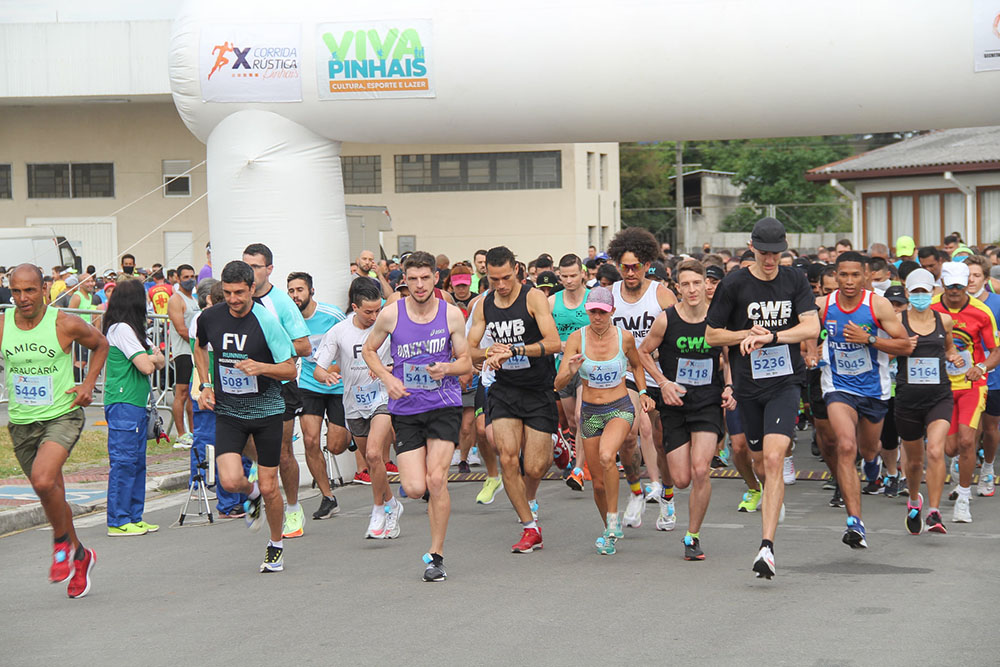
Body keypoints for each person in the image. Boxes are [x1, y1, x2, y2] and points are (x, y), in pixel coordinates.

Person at [705, 218, 820, 580]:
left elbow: (811, 327)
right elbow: (711, 335)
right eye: (764, 253)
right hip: (748, 386)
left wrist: (771, 337)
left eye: (776, 254)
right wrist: (744, 335)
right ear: (751, 247)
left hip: (785, 382)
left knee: (773, 458)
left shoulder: (795, 279)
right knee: (756, 460)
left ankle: (766, 548)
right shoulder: (734, 283)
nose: (770, 260)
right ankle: (768, 491)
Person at [363, 251, 472, 581]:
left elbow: (467, 362)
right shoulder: (391, 314)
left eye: (426, 278)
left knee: (437, 479)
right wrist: (388, 377)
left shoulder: (451, 315)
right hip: (406, 409)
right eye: (413, 279)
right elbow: (369, 350)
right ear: (404, 281)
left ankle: (436, 556)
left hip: (443, 404)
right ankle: (424, 498)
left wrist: (448, 367)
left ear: (436, 279)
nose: (420, 285)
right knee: (413, 487)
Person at [2, 263, 109, 598]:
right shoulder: (4, 326)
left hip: (61, 415)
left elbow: (101, 344)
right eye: (16, 291)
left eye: (29, 290)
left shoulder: (63, 322)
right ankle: (81, 555)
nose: (22, 298)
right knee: (52, 494)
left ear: (44, 289)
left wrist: (88, 384)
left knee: (44, 480)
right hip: (21, 423)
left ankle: (60, 543)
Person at [193, 260, 297, 573]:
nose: (234, 299)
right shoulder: (210, 316)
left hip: (266, 410)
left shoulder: (266, 321)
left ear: (252, 288)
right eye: (227, 293)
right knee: (230, 479)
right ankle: (250, 495)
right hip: (229, 410)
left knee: (270, 487)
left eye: (240, 292)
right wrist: (206, 384)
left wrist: (261, 367)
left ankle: (275, 544)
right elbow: (199, 347)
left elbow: (291, 369)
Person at [816, 251, 914, 549]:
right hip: (838, 386)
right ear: (835, 275)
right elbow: (808, 331)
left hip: (874, 389)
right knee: (846, 446)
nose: (848, 281)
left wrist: (869, 339)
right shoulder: (823, 305)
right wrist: (811, 348)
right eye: (842, 275)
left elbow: (905, 345)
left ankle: (872, 465)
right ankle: (855, 522)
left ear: (867, 276)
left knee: (870, 449)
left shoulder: (878, 305)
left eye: (855, 275)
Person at [468, 245, 561, 553]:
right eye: (494, 279)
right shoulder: (483, 305)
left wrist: (516, 350)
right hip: (505, 390)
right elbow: (470, 351)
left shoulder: (533, 298)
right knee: (507, 456)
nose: (501, 285)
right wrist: (489, 352)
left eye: (506, 277)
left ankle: (530, 496)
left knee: (535, 467)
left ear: (517, 270)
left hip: (537, 389)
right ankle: (530, 528)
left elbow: (554, 343)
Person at [640, 260, 735, 561]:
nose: (693, 290)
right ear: (677, 288)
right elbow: (641, 352)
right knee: (681, 479)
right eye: (686, 285)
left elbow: (728, 356)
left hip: (707, 403)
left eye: (698, 283)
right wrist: (663, 382)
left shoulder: (718, 320)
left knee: (700, 470)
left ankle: (692, 536)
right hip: (675, 405)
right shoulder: (666, 319)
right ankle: (672, 493)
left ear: (707, 286)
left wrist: (730, 387)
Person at [555, 287, 653, 555]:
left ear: (611, 312)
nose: (597, 317)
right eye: (593, 311)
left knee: (608, 456)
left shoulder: (625, 338)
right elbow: (558, 382)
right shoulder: (577, 339)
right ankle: (608, 531)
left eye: (602, 312)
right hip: (590, 412)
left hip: (619, 407)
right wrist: (571, 371)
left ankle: (613, 519)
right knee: (597, 483)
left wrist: (643, 393)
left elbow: (637, 364)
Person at [315, 278, 401, 538]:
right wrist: (326, 377)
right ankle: (391, 504)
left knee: (375, 454)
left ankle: (377, 510)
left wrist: (386, 370)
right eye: (368, 312)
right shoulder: (339, 331)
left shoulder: (388, 326)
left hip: (383, 398)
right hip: (354, 404)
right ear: (354, 307)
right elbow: (319, 368)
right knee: (372, 462)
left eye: (378, 310)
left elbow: (405, 359)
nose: (374, 316)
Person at [606, 226, 678, 531]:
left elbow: (678, 334)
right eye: (624, 267)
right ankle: (636, 492)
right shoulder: (609, 295)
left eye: (636, 266)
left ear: (647, 264)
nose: (630, 272)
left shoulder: (661, 295)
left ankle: (667, 497)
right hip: (626, 372)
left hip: (657, 370)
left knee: (662, 441)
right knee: (628, 434)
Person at [241, 244, 313, 539]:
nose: (250, 272)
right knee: (242, 441)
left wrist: (268, 351)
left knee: (283, 453)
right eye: (246, 265)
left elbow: (304, 346)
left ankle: (293, 507)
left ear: (269, 269)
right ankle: (259, 483)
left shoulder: (280, 302)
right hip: (246, 387)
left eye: (256, 267)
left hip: (280, 385)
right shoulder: (237, 300)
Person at [931, 261, 1000, 523]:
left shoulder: (981, 312)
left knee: (967, 441)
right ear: (944, 285)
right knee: (950, 449)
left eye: (960, 286)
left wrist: (981, 367)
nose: (956, 291)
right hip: (942, 387)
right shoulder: (933, 308)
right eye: (951, 286)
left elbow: (996, 351)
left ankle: (963, 496)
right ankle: (960, 471)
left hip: (972, 386)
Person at [895, 268, 960, 534]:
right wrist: (901, 347)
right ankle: (914, 501)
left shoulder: (944, 320)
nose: (921, 295)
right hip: (908, 399)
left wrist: (955, 357)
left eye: (926, 291)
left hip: (939, 396)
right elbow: (885, 352)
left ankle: (934, 511)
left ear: (933, 291)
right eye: (916, 291)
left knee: (935, 450)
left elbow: (949, 347)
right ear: (908, 293)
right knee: (913, 462)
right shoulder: (897, 322)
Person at [102, 278, 166, 536]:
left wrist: (151, 357)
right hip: (123, 402)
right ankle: (118, 520)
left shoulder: (136, 330)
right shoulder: (121, 329)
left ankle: (134, 516)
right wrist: (151, 358)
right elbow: (149, 365)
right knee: (124, 461)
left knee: (137, 462)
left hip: (136, 403)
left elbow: (159, 359)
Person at [286, 271, 348, 527]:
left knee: (336, 446)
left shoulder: (331, 315)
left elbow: (351, 343)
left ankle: (350, 434)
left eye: (300, 290)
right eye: (291, 291)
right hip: (310, 384)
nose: (295, 295)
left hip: (338, 383)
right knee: (310, 440)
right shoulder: (288, 319)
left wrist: (333, 371)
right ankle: (327, 496)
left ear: (311, 291)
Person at [551, 254, 591, 492]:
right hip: (562, 369)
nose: (569, 280)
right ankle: (581, 455)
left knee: (580, 415)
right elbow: (544, 335)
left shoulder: (591, 299)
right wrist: (560, 344)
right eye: (564, 276)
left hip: (587, 368)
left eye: (573, 275)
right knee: (572, 423)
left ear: (583, 273)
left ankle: (578, 468)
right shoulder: (551, 302)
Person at [964, 255, 1000, 497]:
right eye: (967, 275)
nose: (971, 280)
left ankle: (987, 467)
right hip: (964, 378)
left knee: (990, 426)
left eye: (976, 275)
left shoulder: (997, 303)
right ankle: (962, 467)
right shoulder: (956, 303)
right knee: (967, 428)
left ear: (986, 279)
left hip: (994, 375)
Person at [167, 264, 199, 446]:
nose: (190, 280)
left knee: (192, 394)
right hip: (183, 353)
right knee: (181, 393)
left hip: (194, 353)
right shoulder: (176, 300)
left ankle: (194, 431)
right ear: (177, 279)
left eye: (192, 276)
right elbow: (181, 329)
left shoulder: (193, 299)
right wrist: (199, 343)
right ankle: (181, 432)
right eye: (186, 277)